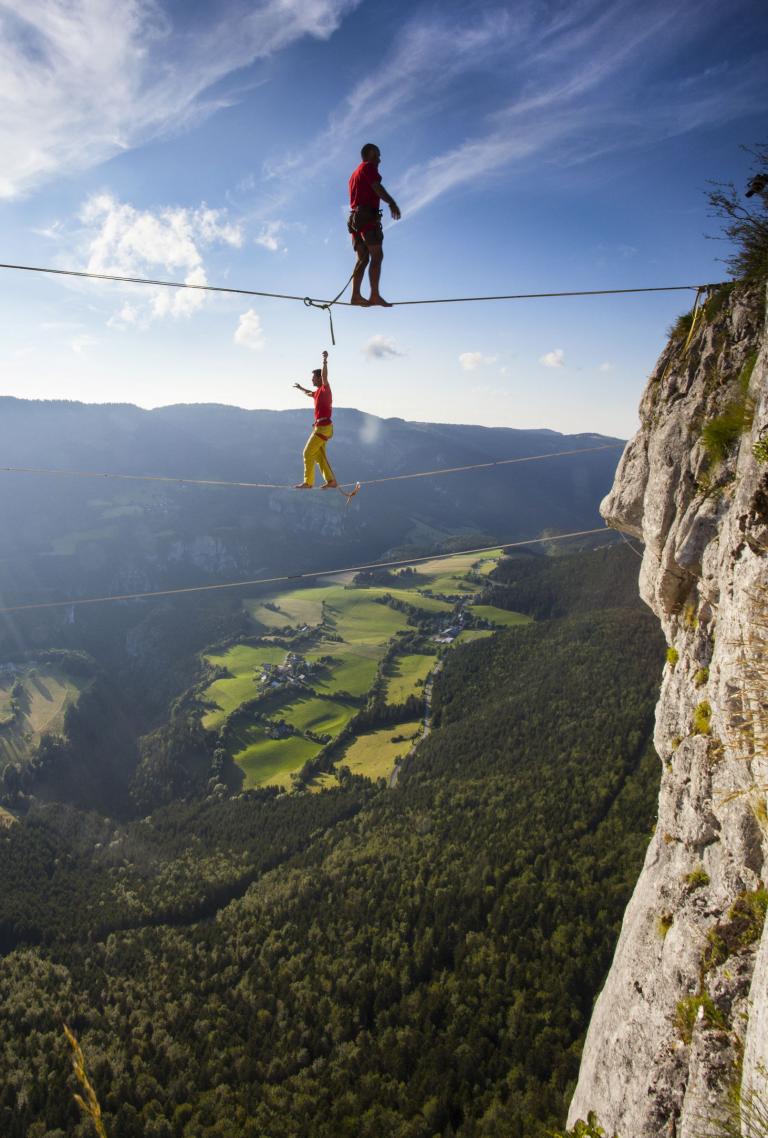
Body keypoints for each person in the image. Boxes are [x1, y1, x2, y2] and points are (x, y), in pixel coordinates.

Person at [348, 143, 401, 307]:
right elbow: (376, 186)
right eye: (377, 155)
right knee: (377, 255)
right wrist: (391, 202)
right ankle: (375, 295)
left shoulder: (354, 174)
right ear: (370, 155)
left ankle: (356, 296)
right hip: (366, 217)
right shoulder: (368, 167)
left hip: (355, 218)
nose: (379, 159)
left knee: (363, 259)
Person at [294, 350, 337, 490]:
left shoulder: (325, 389)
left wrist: (324, 360)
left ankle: (308, 482)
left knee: (307, 453)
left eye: (313, 377)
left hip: (323, 427)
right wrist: (300, 388)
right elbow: (308, 393)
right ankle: (331, 481)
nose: (312, 379)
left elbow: (325, 376)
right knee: (319, 455)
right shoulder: (318, 392)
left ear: (319, 378)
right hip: (324, 427)